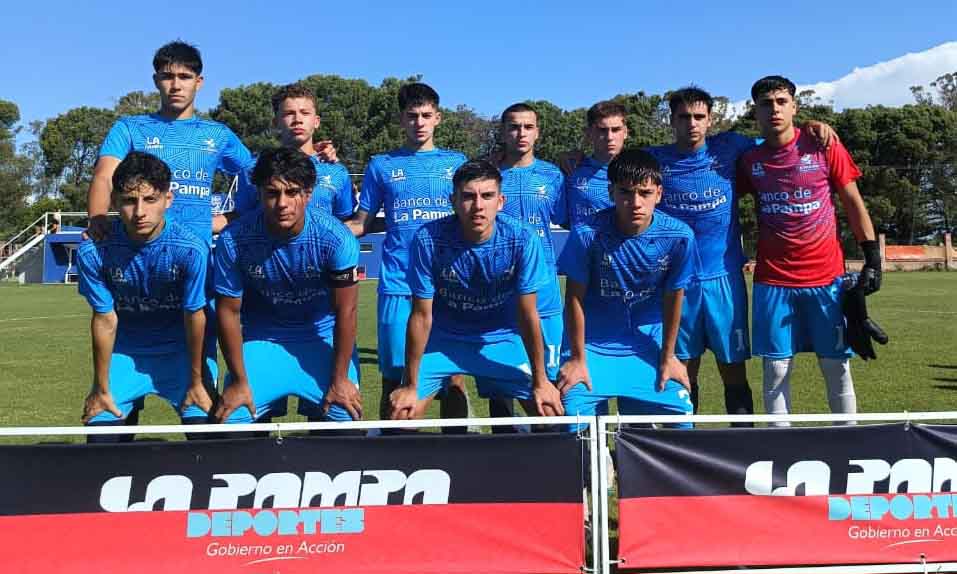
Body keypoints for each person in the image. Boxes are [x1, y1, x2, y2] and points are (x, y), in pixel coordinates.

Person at [736, 75, 880, 425]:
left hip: (826, 280)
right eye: (766, 103)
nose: (774, 109)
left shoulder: (823, 145)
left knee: (836, 366)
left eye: (781, 102)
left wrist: (873, 257)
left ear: (794, 107)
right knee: (776, 371)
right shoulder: (748, 158)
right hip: (773, 282)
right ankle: (779, 451)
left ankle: (849, 441)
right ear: (755, 111)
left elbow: (852, 202)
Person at [389, 160, 564, 421]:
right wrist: (410, 385)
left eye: (487, 196)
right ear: (454, 201)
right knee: (402, 417)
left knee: (550, 414)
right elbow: (421, 315)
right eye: (469, 196)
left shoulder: (522, 238)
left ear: (501, 201)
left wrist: (541, 380)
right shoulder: (428, 239)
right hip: (444, 341)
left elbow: (528, 314)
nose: (478, 206)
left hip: (501, 338)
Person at [346, 82, 469, 427]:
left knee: (453, 379)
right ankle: (394, 455)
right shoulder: (381, 165)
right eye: (412, 116)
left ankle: (458, 452)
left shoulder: (456, 163)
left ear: (438, 118)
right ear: (401, 120)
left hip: (449, 286)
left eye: (426, 115)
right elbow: (362, 222)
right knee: (395, 375)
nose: (419, 122)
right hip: (399, 286)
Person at [212, 147, 362, 425]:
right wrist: (238, 381)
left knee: (345, 417)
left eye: (292, 192)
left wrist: (340, 379)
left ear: (308, 194)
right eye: (272, 193)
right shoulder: (233, 239)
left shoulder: (336, 239)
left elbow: (347, 312)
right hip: (263, 339)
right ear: (258, 194)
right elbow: (228, 313)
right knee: (232, 420)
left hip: (322, 337)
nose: (282, 203)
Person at [77, 152, 213, 442]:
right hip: (126, 352)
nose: (139, 212)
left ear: (168, 199)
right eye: (129, 201)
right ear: (113, 201)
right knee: (101, 441)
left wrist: (197, 381)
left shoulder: (191, 249)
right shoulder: (93, 252)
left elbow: (195, 316)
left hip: (181, 354)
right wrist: (100, 388)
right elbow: (104, 319)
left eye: (150, 200)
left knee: (207, 438)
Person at [557, 149, 695, 428]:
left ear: (658, 193)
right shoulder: (587, 234)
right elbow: (574, 299)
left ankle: (643, 469)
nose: (635, 202)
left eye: (644, 193)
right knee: (572, 420)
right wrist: (576, 358)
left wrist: (669, 358)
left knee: (681, 416)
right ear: (610, 193)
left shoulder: (679, 236)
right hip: (593, 348)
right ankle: (597, 468)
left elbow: (674, 300)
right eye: (625, 192)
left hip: (647, 346)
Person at [87, 40, 253, 242]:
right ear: (156, 80)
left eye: (184, 77)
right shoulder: (129, 128)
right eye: (167, 77)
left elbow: (255, 174)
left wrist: (230, 218)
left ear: (198, 82)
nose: (176, 86)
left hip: (196, 252)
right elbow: (104, 177)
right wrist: (97, 218)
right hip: (137, 248)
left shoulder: (219, 134)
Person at [490, 102, 566, 431]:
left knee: (548, 381)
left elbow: (567, 218)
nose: (521, 133)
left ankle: (552, 453)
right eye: (513, 127)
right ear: (503, 132)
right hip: (497, 289)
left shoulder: (553, 175)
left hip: (544, 290)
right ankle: (505, 453)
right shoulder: (489, 175)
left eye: (527, 127)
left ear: (537, 132)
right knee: (499, 380)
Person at [233, 83, 354, 220]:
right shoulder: (252, 168)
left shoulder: (337, 172)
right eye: (289, 114)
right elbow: (240, 218)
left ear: (316, 121)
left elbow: (346, 223)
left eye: (305, 113)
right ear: (275, 122)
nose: (297, 120)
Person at [564, 100, 629, 228]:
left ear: (625, 132)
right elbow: (562, 219)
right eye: (602, 130)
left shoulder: (641, 171)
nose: (610, 137)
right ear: (589, 133)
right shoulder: (570, 169)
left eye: (615, 130)